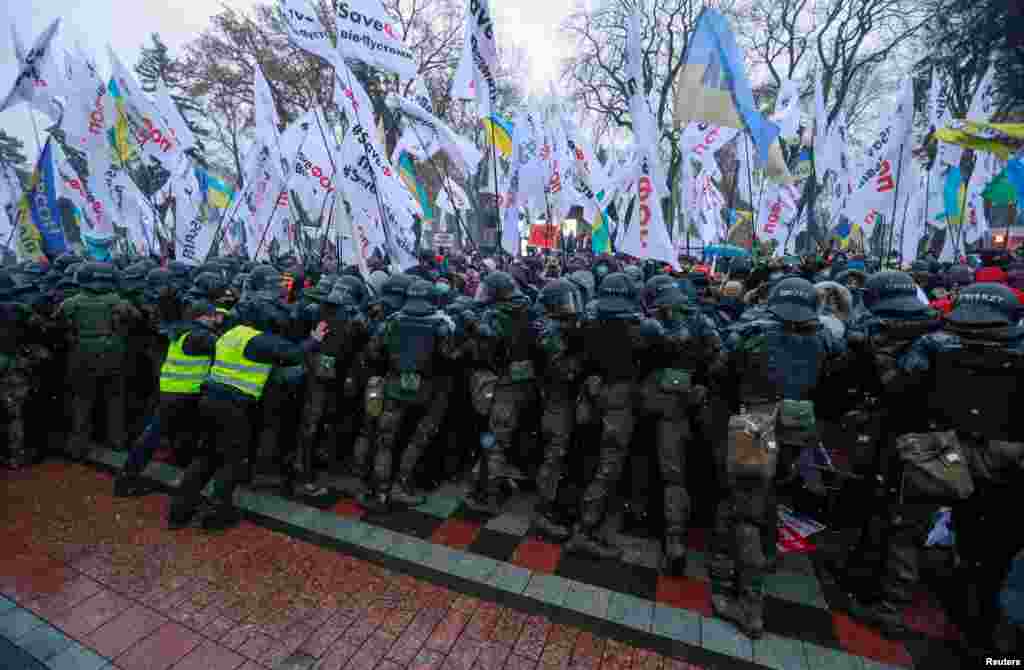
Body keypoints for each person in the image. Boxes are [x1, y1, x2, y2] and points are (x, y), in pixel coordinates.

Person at [710, 277, 847, 637]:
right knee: (771, 495)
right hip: (796, 425)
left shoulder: (752, 331)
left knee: (745, 512)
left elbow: (720, 372)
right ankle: (765, 558)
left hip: (753, 424)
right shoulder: (827, 338)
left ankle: (749, 606)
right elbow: (837, 385)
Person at [167, 307, 328, 530]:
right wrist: (314, 339)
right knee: (232, 461)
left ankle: (179, 512)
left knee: (206, 458)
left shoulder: (232, 333)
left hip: (209, 401)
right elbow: (293, 354)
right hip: (232, 407)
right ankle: (217, 514)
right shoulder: (256, 340)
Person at [360, 279, 458, 510]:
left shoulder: (392, 321)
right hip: (428, 389)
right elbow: (449, 356)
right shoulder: (442, 324)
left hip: (394, 386)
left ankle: (381, 491)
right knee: (418, 438)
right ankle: (402, 485)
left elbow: (373, 351)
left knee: (385, 439)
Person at [114, 299, 220, 497]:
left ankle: (127, 477)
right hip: (186, 393)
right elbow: (222, 346)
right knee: (156, 436)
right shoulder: (200, 337)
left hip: (172, 391)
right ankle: (126, 480)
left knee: (160, 434)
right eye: (212, 316)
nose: (216, 320)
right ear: (202, 317)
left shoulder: (182, 331)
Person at [56, 263, 141, 459]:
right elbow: (136, 319)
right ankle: (117, 442)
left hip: (81, 354)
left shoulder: (70, 303)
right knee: (115, 399)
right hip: (113, 354)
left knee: (82, 400)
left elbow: (56, 323)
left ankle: (79, 446)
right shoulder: (119, 301)